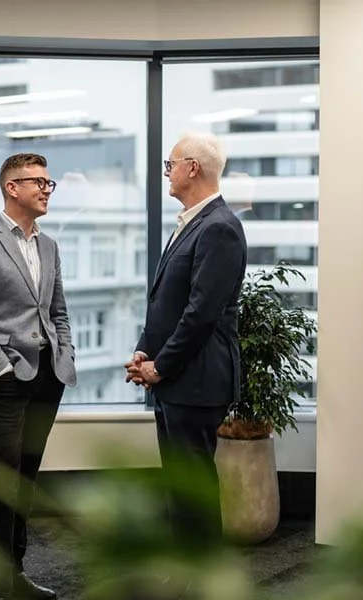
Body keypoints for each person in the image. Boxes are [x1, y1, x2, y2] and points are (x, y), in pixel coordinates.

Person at [0, 153, 76, 600]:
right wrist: (3, 366)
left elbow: (58, 312)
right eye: (38, 182)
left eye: (49, 182)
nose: (46, 189)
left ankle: (16, 574)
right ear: (12, 187)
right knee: (4, 485)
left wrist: (65, 353)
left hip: (48, 377)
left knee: (25, 480)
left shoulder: (49, 246)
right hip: (5, 381)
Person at [125, 132, 247, 551]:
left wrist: (160, 367)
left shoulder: (220, 228)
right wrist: (146, 350)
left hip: (196, 380)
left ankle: (203, 579)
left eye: (170, 164)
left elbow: (200, 314)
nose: (168, 172)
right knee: (180, 490)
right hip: (178, 379)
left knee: (193, 493)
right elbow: (168, 300)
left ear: (192, 167)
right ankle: (185, 573)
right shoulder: (195, 222)